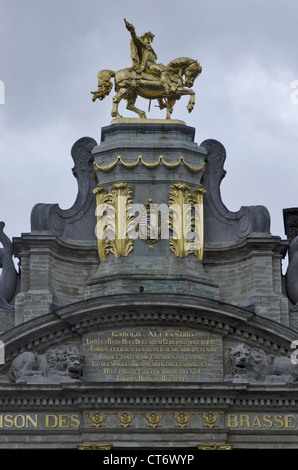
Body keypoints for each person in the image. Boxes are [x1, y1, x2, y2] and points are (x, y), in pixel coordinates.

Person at [124, 18, 171, 93]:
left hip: (153, 64)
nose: (148, 39)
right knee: (162, 71)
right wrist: (132, 30)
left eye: (150, 38)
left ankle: (161, 101)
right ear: (143, 38)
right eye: (147, 37)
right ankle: (166, 87)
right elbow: (135, 38)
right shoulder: (142, 45)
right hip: (148, 64)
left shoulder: (150, 49)